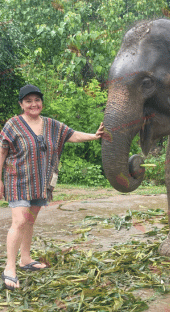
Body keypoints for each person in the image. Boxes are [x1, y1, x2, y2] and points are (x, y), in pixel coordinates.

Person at [0, 84, 105, 290]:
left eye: (37, 100)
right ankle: (9, 268)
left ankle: (25, 259)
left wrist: (94, 136)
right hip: (17, 181)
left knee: (30, 220)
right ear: (21, 104)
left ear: (42, 103)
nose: (33, 104)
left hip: (41, 182)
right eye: (28, 101)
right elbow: (2, 152)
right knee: (20, 221)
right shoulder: (12, 125)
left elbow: (71, 135)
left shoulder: (50, 124)